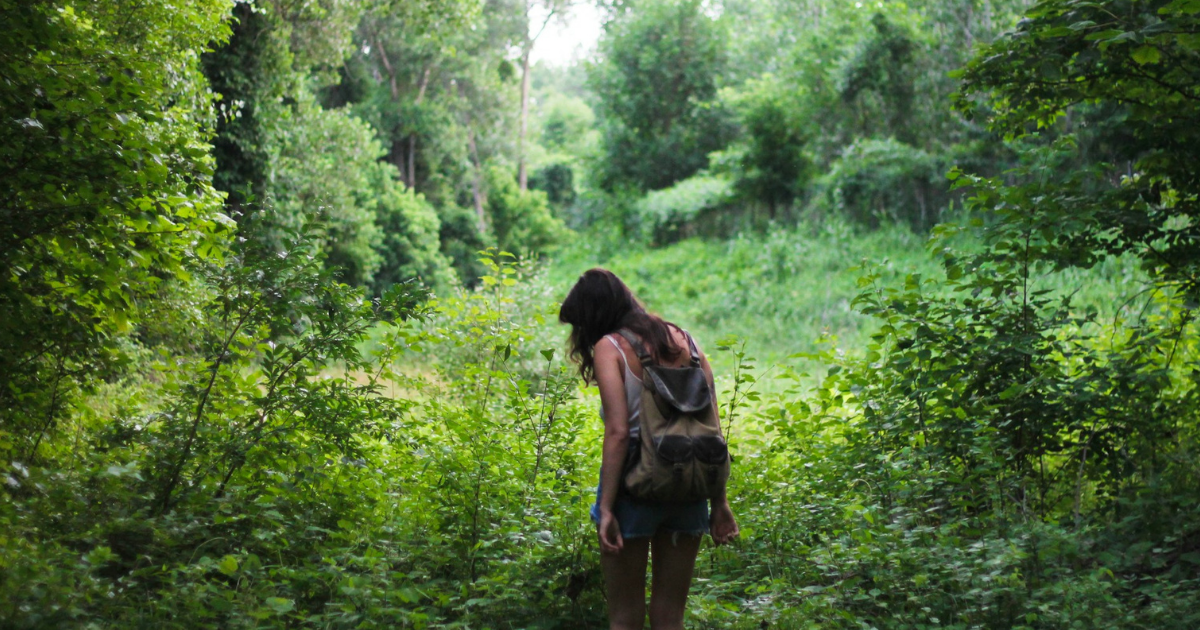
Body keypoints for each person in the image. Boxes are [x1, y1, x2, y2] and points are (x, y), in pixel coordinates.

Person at [559, 268, 739, 630]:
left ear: (592, 316)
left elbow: (619, 433)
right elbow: (712, 433)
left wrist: (606, 509)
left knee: (625, 617)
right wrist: (719, 503)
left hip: (633, 485)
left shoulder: (609, 347)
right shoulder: (687, 342)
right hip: (689, 485)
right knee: (670, 617)